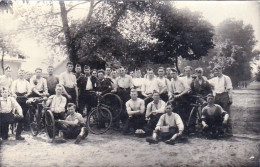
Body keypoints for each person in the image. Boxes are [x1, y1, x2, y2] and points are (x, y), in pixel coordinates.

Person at [208, 65, 233, 136]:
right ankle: (219, 130)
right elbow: (206, 81)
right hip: (217, 96)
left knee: (226, 113)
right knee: (217, 113)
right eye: (216, 71)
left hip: (224, 95)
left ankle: (229, 131)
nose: (217, 72)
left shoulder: (226, 78)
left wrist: (230, 98)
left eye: (218, 70)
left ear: (221, 70)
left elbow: (230, 88)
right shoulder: (214, 79)